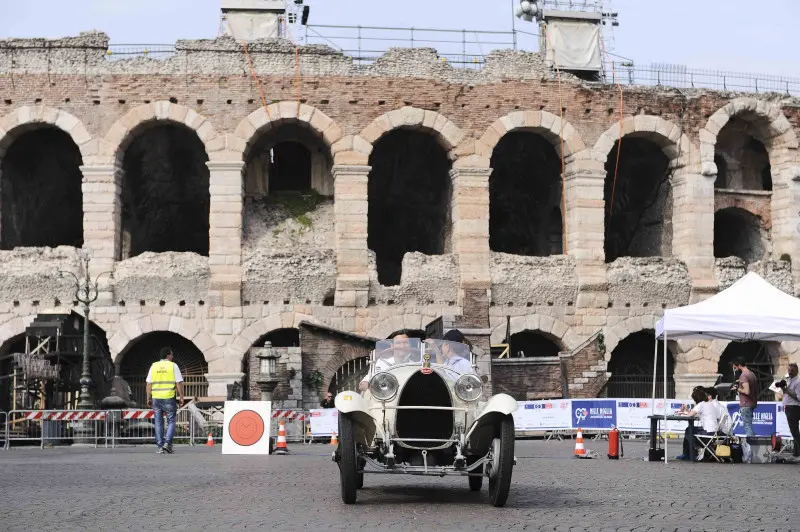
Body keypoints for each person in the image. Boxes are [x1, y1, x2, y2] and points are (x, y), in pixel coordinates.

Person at [145, 347, 185, 454]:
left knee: (158, 422)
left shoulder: (154, 366)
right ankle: (168, 443)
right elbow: (179, 383)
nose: (173, 357)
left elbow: (149, 384)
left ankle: (160, 446)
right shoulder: (173, 366)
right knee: (171, 421)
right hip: (169, 397)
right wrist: (181, 397)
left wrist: (148, 398)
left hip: (156, 399)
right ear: (168, 355)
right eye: (172, 355)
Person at [676, 388, 718, 461]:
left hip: (707, 433)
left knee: (689, 430)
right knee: (690, 430)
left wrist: (682, 413)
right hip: (714, 431)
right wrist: (687, 411)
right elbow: (694, 414)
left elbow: (690, 415)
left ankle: (692, 452)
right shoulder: (709, 404)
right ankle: (687, 453)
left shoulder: (701, 404)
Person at [777, 363, 800, 457]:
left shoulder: (798, 382)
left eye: (792, 371)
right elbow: (787, 393)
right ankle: (796, 453)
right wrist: (783, 389)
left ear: (797, 371)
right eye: (789, 370)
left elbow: (798, 397)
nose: (790, 372)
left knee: (794, 432)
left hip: (794, 408)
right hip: (789, 407)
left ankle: (798, 452)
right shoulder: (789, 380)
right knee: (794, 432)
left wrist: (787, 391)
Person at [732, 356, 758, 437]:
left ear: (739, 365)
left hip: (746, 403)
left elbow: (747, 391)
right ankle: (753, 443)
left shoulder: (744, 375)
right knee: (749, 425)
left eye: (735, 366)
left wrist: (737, 389)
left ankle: (752, 445)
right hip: (752, 402)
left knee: (747, 426)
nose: (734, 368)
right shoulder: (752, 374)